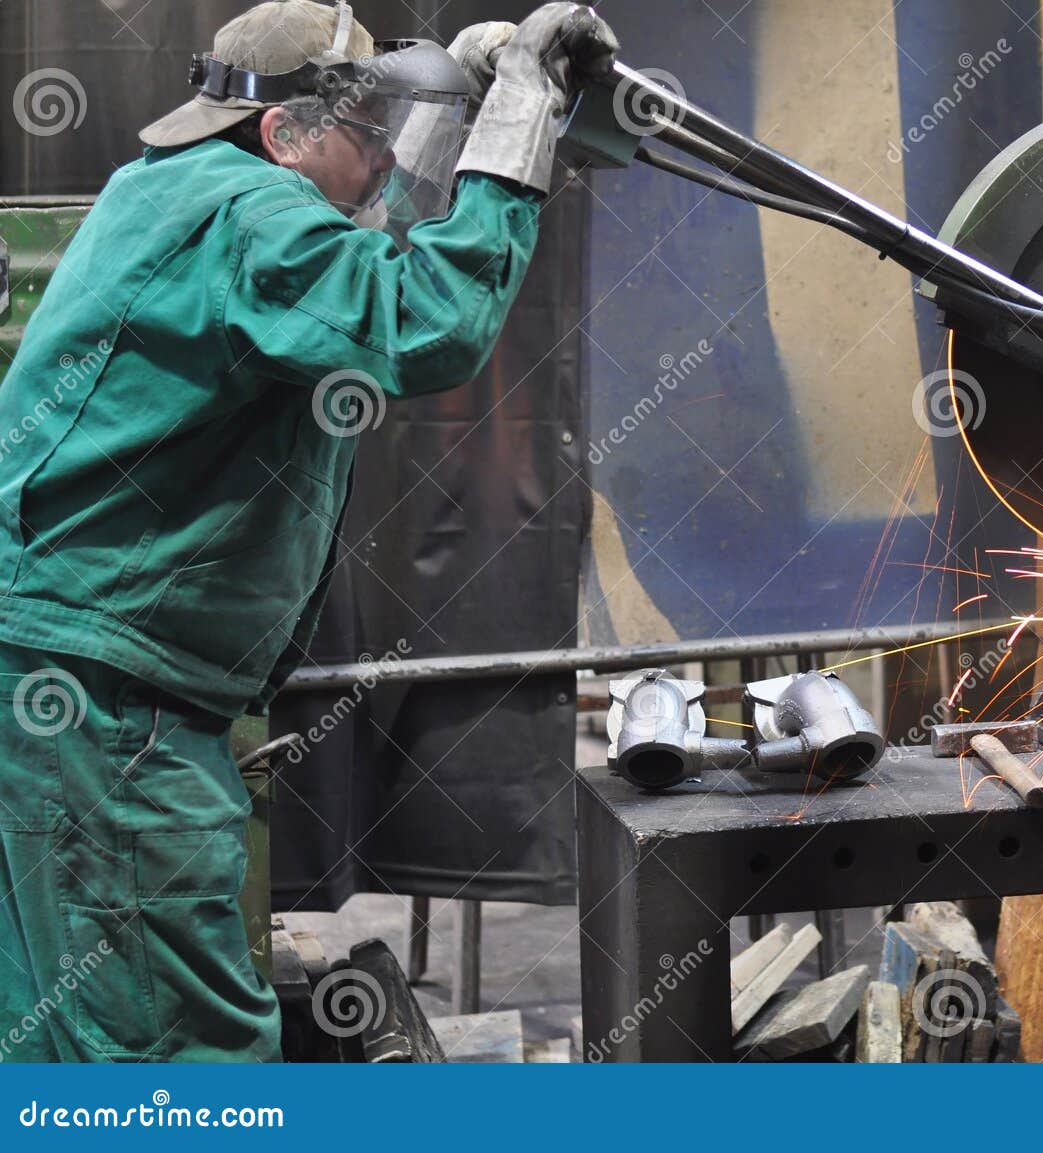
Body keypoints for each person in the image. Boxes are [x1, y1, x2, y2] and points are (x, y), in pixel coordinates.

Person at [0, 0, 617, 1061]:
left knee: (59, 1037)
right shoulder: (246, 216)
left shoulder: (165, 187)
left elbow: (355, 256)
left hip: (65, 682)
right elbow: (426, 319)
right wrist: (517, 119)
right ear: (285, 130)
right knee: (174, 1049)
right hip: (108, 707)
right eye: (368, 138)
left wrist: (462, 98)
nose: (385, 169)